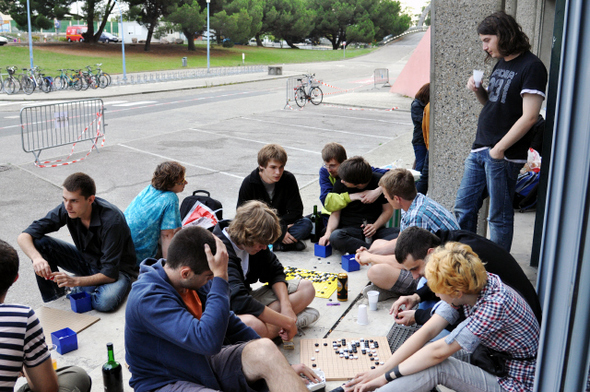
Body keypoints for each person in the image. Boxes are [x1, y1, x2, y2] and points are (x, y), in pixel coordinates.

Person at [125, 226, 316, 392]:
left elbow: (232, 324)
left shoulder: (194, 282)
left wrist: (284, 367)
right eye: (209, 277)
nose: (211, 281)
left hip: (202, 361)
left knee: (266, 348)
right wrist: (221, 278)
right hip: (166, 381)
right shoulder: (148, 298)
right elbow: (207, 341)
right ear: (186, 273)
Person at [346, 242, 539, 392]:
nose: (436, 295)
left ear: (455, 292)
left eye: (438, 291)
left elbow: (438, 352)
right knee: (421, 358)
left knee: (437, 366)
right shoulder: (469, 283)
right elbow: (429, 330)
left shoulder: (494, 305)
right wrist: (383, 369)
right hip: (493, 361)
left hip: (513, 382)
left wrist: (385, 378)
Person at [454, 11, 548, 252]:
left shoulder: (532, 67)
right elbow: (493, 104)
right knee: (464, 208)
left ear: (503, 35)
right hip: (481, 148)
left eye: (487, 40)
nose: (484, 47)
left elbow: (529, 117)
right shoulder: (502, 62)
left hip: (503, 154)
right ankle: (465, 263)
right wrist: (478, 90)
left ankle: (498, 271)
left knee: (498, 217)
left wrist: (499, 149)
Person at [17, 173, 137, 312]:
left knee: (105, 302)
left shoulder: (112, 220)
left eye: (74, 201)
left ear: (90, 199)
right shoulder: (68, 209)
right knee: (39, 243)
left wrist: (76, 282)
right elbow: (24, 236)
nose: (67, 206)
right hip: (87, 261)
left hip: (117, 270)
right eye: (65, 199)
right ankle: (55, 299)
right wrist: (37, 258)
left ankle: (80, 289)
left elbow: (109, 274)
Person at [389, 226, 542, 327]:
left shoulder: (462, 260)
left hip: (519, 323)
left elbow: (460, 317)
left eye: (415, 268)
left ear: (430, 253)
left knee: (433, 338)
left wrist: (418, 316)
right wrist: (416, 297)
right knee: (423, 282)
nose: (414, 276)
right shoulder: (450, 245)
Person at [213, 200, 318, 340]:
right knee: (255, 326)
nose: (264, 248)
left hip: (246, 300)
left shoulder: (253, 243)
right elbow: (238, 301)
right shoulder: (220, 249)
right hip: (226, 309)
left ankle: (275, 328)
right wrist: (285, 320)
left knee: (307, 288)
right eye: (262, 244)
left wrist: (286, 307)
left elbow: (275, 271)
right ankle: (290, 324)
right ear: (247, 234)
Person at [0, 239, 91, 392]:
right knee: (77, 375)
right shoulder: (21, 318)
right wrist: (25, 363)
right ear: (16, 278)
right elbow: (48, 389)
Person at [356, 169, 459, 300]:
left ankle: (402, 291)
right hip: (423, 256)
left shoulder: (417, 216)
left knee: (375, 272)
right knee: (377, 244)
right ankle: (392, 284)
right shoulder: (413, 202)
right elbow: (400, 242)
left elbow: (408, 261)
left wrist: (370, 257)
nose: (385, 198)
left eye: (386, 195)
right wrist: (371, 251)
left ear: (396, 199)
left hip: (442, 272)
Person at [238, 144, 312, 251]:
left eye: (281, 167)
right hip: (260, 227)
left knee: (306, 224)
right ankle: (280, 244)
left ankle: (270, 244)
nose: (278, 172)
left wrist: (280, 229)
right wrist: (280, 231)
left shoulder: (288, 179)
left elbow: (296, 211)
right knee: (244, 232)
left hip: (281, 225)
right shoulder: (249, 183)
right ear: (261, 166)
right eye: (273, 167)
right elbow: (242, 215)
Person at [319, 156, 397, 255]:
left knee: (404, 234)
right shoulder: (340, 185)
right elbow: (335, 214)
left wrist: (374, 227)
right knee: (335, 236)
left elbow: (388, 210)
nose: (342, 180)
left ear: (359, 183)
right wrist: (328, 234)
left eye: (345, 180)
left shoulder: (378, 181)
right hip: (349, 232)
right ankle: (373, 251)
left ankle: (369, 250)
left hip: (374, 231)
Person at [125, 161, 186, 265]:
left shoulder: (149, 189)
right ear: (170, 185)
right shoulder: (170, 198)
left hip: (125, 249)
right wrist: (168, 266)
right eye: (182, 181)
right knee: (181, 241)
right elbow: (166, 235)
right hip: (139, 257)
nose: (186, 183)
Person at [319, 143, 388, 226]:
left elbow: (391, 175)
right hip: (332, 214)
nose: (329, 169)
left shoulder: (356, 170)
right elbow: (325, 200)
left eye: (333, 166)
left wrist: (378, 191)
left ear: (343, 163)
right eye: (326, 165)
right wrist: (353, 196)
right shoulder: (325, 171)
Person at [410, 83, 430, 175]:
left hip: (424, 140)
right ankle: (416, 186)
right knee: (420, 167)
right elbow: (422, 122)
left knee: (420, 164)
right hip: (420, 140)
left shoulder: (422, 104)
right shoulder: (416, 105)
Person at [415, 102, 430, 195]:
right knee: (422, 175)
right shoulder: (428, 107)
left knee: (423, 175)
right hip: (426, 145)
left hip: (427, 145)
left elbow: (424, 128)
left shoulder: (427, 106)